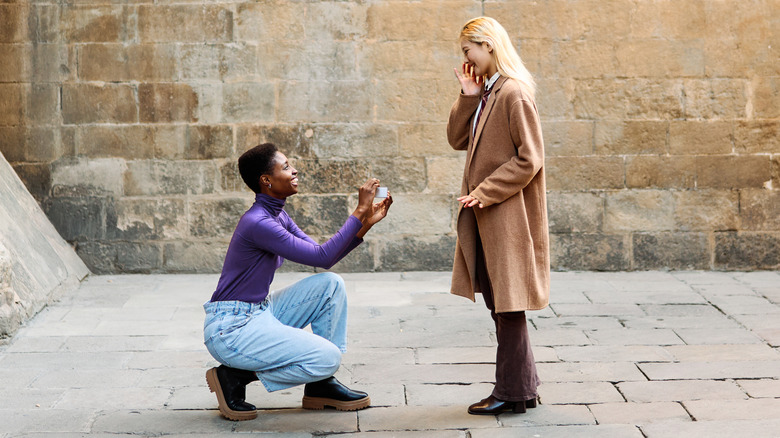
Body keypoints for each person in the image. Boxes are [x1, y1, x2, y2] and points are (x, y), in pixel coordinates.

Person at [203, 143, 392, 421]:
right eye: (286, 167)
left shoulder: (278, 215)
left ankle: (320, 385)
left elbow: (322, 255)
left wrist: (366, 222)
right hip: (232, 329)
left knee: (329, 285)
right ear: (266, 180)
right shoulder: (259, 222)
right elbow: (322, 256)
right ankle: (235, 376)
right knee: (328, 358)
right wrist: (360, 208)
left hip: (258, 312)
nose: (294, 171)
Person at [446, 17, 550, 415]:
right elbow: (457, 139)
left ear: (487, 45)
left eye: (468, 49)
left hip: (507, 217)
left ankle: (511, 392)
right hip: (488, 217)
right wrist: (468, 96)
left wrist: (484, 192)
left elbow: (530, 158)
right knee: (502, 304)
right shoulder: (489, 92)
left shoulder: (514, 93)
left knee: (507, 306)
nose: (466, 58)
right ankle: (523, 388)